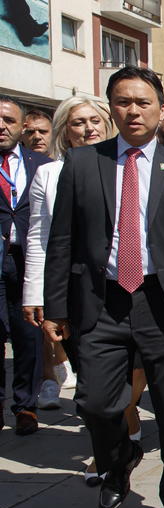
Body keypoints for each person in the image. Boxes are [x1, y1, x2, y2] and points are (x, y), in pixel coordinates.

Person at [44, 67, 164, 508]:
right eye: (121, 102)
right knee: (95, 402)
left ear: (161, 108)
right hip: (101, 301)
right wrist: (56, 307)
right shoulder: (82, 164)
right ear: (111, 107)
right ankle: (118, 465)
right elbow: (62, 240)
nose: (132, 110)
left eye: (142, 102)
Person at [23, 96, 111, 477]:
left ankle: (122, 437)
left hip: (127, 284)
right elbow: (40, 239)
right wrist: (35, 294)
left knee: (127, 377)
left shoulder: (125, 164)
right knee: (92, 383)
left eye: (95, 120)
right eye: (78, 122)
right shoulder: (49, 174)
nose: (88, 128)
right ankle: (107, 446)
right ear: (65, 131)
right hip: (76, 290)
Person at [0, 95, 51, 436]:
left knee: (28, 334)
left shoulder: (40, 164)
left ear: (22, 127)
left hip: (26, 261)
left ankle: (25, 406)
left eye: (8, 120)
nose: (1, 126)